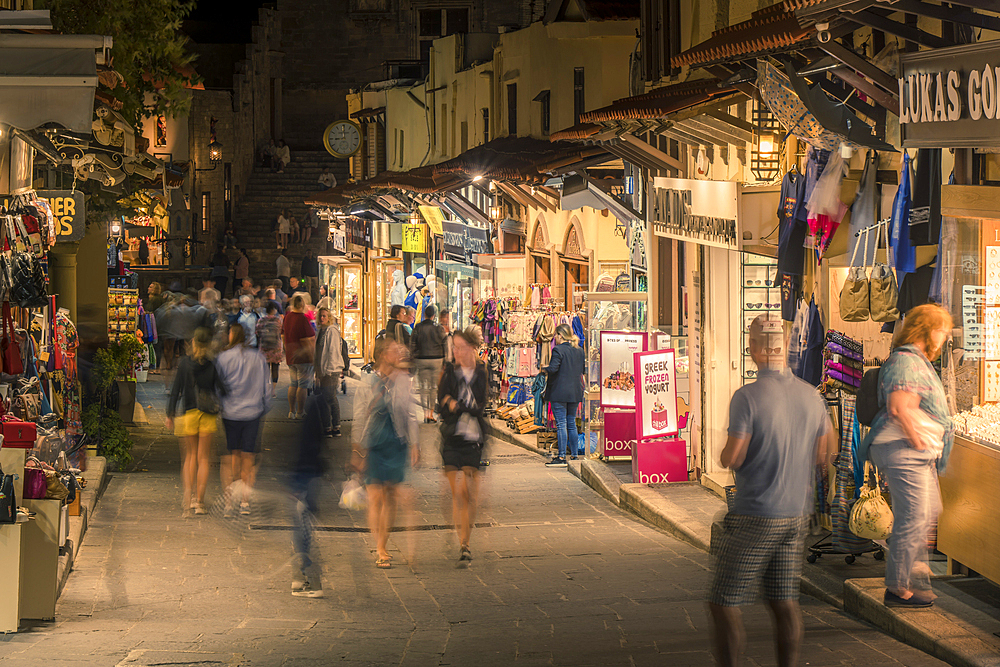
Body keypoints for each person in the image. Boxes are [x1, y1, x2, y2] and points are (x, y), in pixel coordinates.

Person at [710, 314, 834, 667]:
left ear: (754, 349)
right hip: (797, 512)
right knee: (784, 600)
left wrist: (725, 451)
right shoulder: (811, 395)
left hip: (757, 513)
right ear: (785, 349)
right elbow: (827, 450)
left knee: (724, 600)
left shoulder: (746, 397)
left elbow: (733, 457)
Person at [859, 303, 954, 609]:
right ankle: (898, 586)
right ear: (928, 330)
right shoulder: (906, 361)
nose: (945, 336)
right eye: (942, 329)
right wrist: (919, 442)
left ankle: (911, 572)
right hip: (904, 450)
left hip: (912, 452)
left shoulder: (915, 360)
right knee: (914, 515)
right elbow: (900, 407)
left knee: (925, 511)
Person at [352, 336, 418, 569]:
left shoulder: (402, 381)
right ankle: (380, 548)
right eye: (392, 351)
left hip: (396, 442)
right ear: (381, 355)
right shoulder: (368, 382)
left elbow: (409, 413)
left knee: (390, 497)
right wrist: (356, 448)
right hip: (375, 443)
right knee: (375, 497)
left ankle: (383, 544)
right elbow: (359, 416)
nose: (397, 354)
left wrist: (415, 444)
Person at [437, 326, 487, 567]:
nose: (456, 352)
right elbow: (441, 403)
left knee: (469, 495)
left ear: (471, 349)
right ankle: (459, 535)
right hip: (452, 437)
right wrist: (449, 403)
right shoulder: (449, 372)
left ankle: (465, 544)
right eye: (454, 347)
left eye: (460, 347)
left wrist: (457, 404)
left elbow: (481, 406)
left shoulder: (482, 373)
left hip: (473, 438)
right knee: (457, 492)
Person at [166, 328, 228, 518]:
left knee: (190, 457)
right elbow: (223, 389)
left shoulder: (185, 363)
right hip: (207, 415)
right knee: (203, 459)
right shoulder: (212, 364)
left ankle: (188, 499)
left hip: (189, 413)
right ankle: (200, 502)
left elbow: (176, 389)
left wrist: (170, 414)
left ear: (193, 342)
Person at [216, 323, 271, 516]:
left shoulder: (223, 358)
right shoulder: (258, 358)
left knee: (231, 456)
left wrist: (220, 404)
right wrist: (264, 407)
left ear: (232, 335)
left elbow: (218, 385)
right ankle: (245, 502)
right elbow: (267, 387)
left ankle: (229, 502)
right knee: (249, 457)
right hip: (252, 413)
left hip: (230, 412)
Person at [290, 393, 328, 597]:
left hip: (305, 480)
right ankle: (302, 578)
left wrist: (296, 483)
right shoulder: (317, 418)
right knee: (302, 531)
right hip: (310, 478)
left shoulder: (309, 423)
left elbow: (305, 452)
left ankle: (312, 582)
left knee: (303, 533)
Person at [543, 323, 585, 466]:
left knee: (561, 424)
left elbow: (554, 368)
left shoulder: (558, 350)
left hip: (559, 392)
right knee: (571, 424)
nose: (555, 337)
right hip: (575, 391)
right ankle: (573, 455)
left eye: (556, 335)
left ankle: (561, 457)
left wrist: (544, 369)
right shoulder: (579, 350)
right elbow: (582, 370)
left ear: (560, 335)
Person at [410, 305, 446, 423]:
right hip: (437, 359)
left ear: (424, 314)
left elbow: (413, 344)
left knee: (424, 388)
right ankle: (431, 414)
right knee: (433, 388)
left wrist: (413, 357)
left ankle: (425, 414)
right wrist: (445, 360)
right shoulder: (438, 328)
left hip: (422, 359)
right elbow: (444, 343)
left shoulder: (418, 327)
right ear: (434, 315)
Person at [283, 295, 316, 419]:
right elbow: (307, 340)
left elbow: (282, 335)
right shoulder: (302, 319)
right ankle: (300, 412)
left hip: (291, 356)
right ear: (302, 305)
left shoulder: (287, 317)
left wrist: (287, 348)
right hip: (303, 357)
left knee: (293, 383)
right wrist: (312, 357)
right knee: (302, 385)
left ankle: (291, 411)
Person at [315, 307, 345, 437]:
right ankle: (327, 426)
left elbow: (333, 351)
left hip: (331, 369)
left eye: (325, 316)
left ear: (329, 318)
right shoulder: (320, 331)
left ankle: (336, 426)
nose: (322, 318)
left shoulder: (331, 331)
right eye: (321, 316)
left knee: (330, 397)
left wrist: (329, 369)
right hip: (322, 370)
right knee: (324, 398)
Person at [256, 302, 283, 396]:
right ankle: (273, 390)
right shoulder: (278, 320)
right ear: (274, 310)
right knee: (275, 369)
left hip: (264, 348)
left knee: (265, 369)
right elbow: (280, 331)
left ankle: (266, 389)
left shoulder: (261, 320)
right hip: (276, 348)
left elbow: (257, 332)